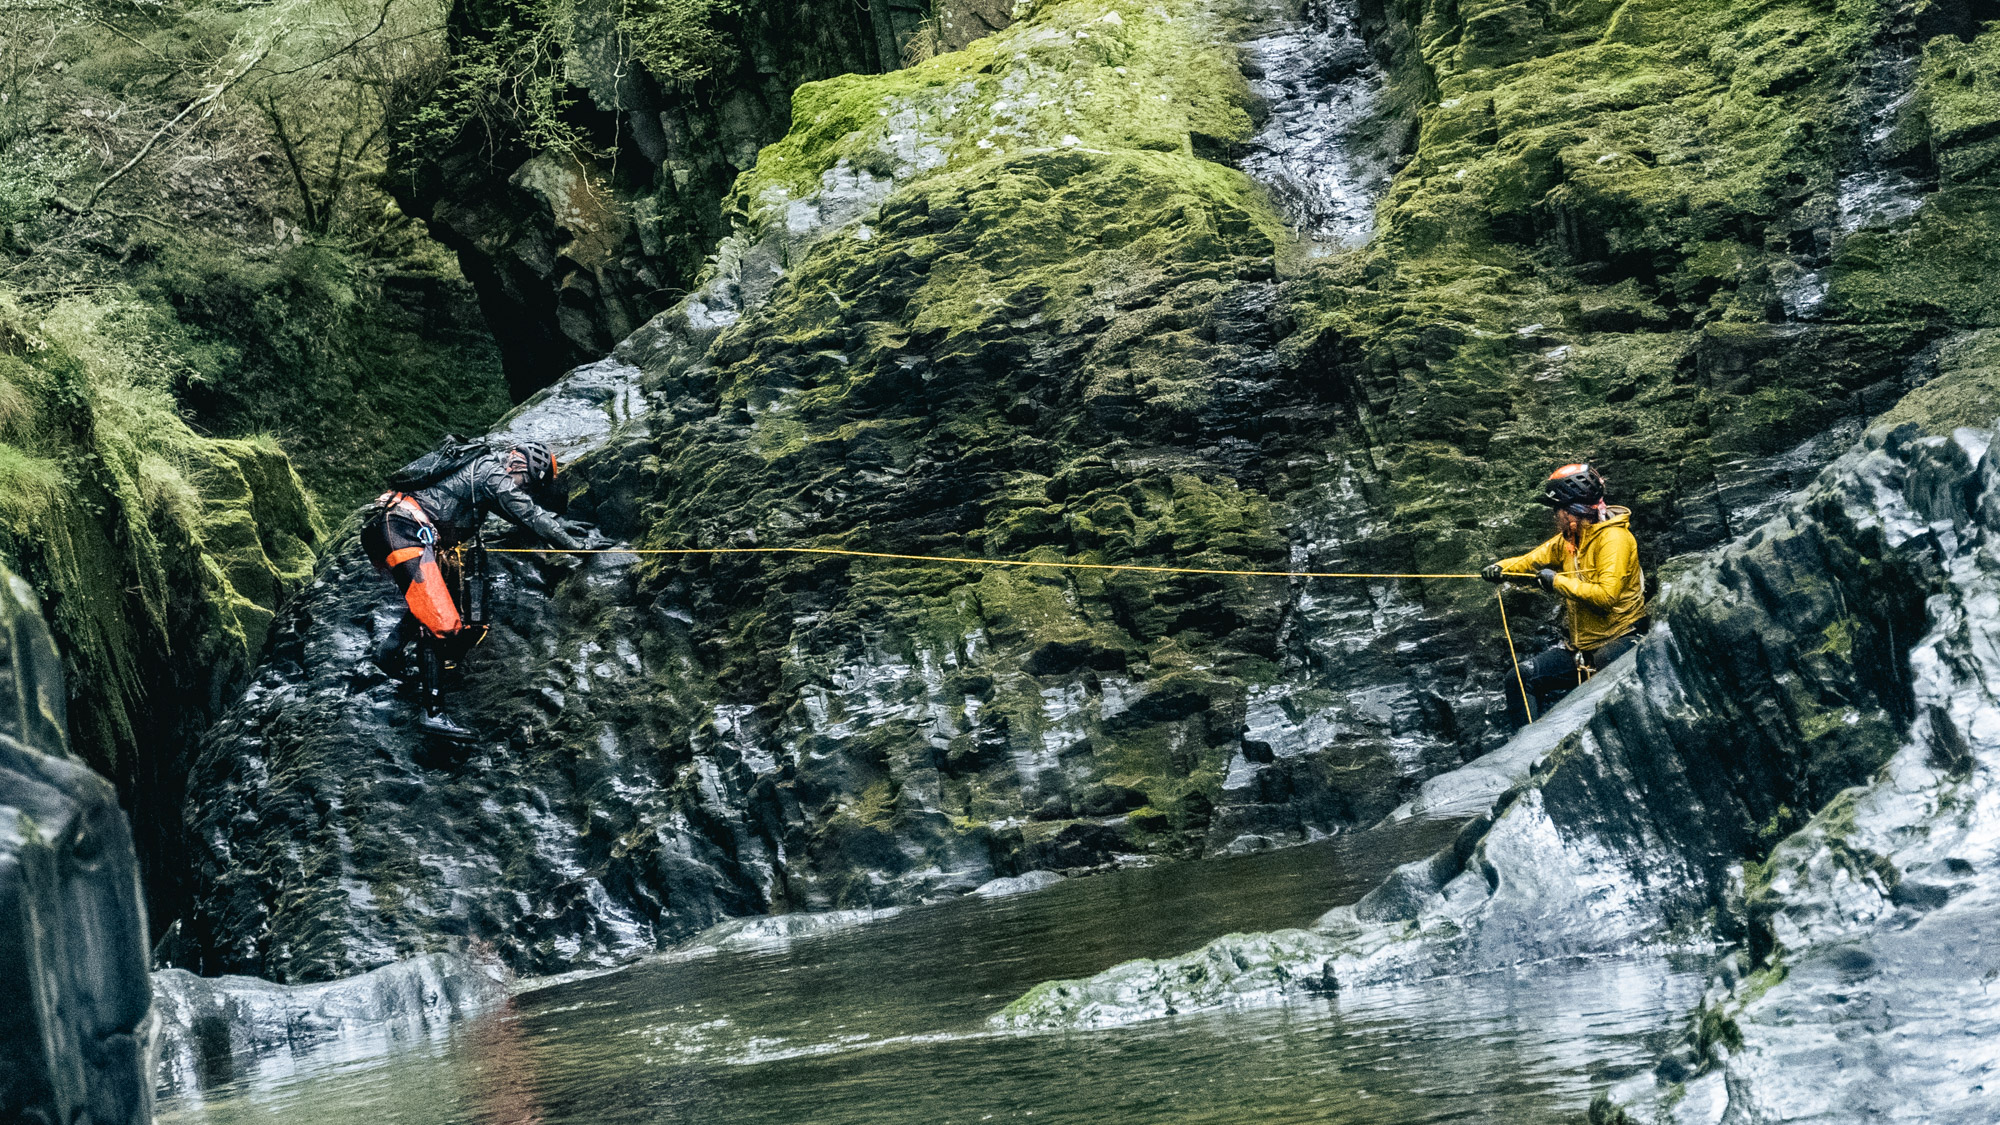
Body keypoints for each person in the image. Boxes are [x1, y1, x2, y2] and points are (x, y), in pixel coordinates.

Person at [361, 440, 587, 740]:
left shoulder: (479, 472)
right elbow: (528, 514)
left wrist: (560, 526)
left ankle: (389, 654)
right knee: (441, 621)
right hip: (404, 529)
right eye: (527, 484)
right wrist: (576, 549)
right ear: (521, 467)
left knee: (436, 601)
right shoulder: (490, 471)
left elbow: (525, 515)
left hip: (392, 526)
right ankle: (432, 713)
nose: (523, 491)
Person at [1481, 462, 1648, 725]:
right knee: (1520, 677)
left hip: (1622, 639)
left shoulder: (1614, 540)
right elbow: (1532, 560)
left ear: (1571, 512)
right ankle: (1525, 751)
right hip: (1582, 649)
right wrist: (1501, 568)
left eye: (1556, 510)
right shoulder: (1570, 539)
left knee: (1606, 668)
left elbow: (1607, 597)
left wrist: (1556, 582)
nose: (1554, 516)